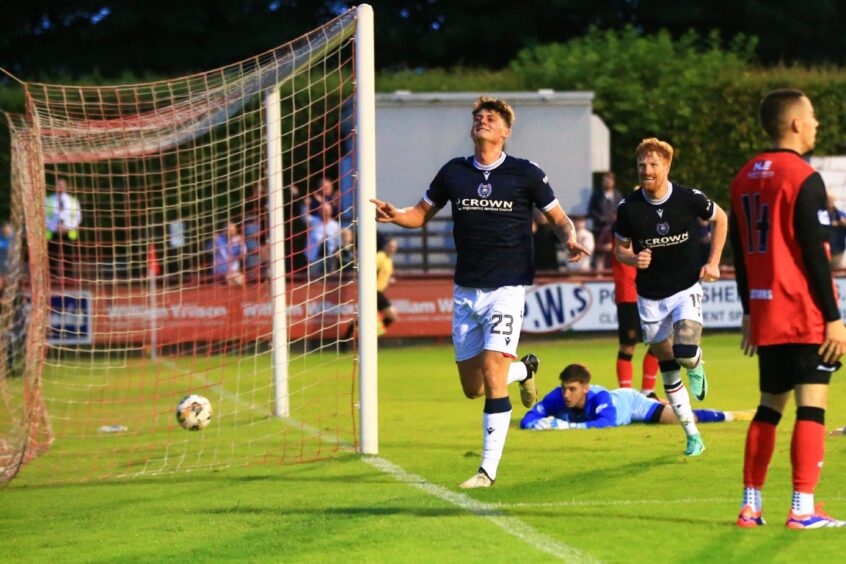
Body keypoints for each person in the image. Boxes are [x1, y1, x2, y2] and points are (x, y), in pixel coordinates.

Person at [371, 95, 590, 489]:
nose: (482, 120)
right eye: (478, 116)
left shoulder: (526, 173)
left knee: (492, 373)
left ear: (506, 131)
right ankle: (525, 369)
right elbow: (419, 214)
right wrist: (395, 215)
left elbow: (558, 219)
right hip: (466, 291)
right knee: (473, 388)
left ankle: (487, 470)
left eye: (491, 117)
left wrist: (570, 239)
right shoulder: (454, 172)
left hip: (507, 288)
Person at [730, 88, 846, 529]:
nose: (816, 123)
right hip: (801, 312)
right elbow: (815, 256)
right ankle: (803, 508)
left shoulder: (743, 176)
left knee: (768, 407)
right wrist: (834, 318)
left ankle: (750, 504)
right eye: (812, 116)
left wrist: (747, 310)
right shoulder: (802, 176)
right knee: (812, 407)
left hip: (765, 311)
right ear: (795, 123)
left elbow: (740, 253)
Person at [614, 137, 728, 456]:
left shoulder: (689, 198)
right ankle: (692, 435)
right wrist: (632, 259)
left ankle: (696, 363)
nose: (646, 170)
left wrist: (714, 261)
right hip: (649, 298)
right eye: (641, 165)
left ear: (666, 166)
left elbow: (722, 219)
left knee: (685, 349)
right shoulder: (629, 208)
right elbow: (619, 249)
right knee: (667, 364)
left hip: (685, 288)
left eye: (652, 164)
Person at [520, 363, 741, 430]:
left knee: (685, 419)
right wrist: (535, 424)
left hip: (631, 404)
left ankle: (729, 416)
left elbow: (609, 422)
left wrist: (562, 426)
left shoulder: (600, 398)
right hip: (619, 402)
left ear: (585, 388)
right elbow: (527, 418)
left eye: (572, 389)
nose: (566, 394)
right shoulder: (557, 397)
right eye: (565, 388)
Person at [611, 238, 660, 395]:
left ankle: (648, 392)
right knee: (628, 345)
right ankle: (626, 395)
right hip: (629, 293)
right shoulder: (622, 229)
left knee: (660, 342)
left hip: (652, 291)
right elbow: (623, 253)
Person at [45, 178, 82, 282]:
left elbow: (78, 217)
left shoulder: (73, 201)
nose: (60, 187)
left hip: (68, 232)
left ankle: (68, 277)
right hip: (53, 232)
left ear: (66, 187)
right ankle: (53, 277)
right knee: (52, 255)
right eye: (58, 185)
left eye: (62, 185)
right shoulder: (48, 200)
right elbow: (44, 217)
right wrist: (54, 227)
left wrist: (67, 227)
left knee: (68, 255)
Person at [588, 171, 621, 269]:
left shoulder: (618, 195)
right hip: (600, 229)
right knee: (600, 254)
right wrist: (601, 218)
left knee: (615, 253)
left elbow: (622, 210)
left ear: (613, 182)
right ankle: (598, 274)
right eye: (605, 180)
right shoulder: (596, 195)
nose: (608, 182)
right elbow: (591, 211)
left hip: (615, 231)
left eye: (610, 180)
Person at [305, 202, 341, 277]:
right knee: (313, 278)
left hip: (330, 257)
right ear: (319, 211)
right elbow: (304, 216)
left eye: (327, 210)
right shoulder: (313, 221)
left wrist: (336, 253)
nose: (325, 212)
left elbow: (338, 242)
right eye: (323, 210)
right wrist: (305, 204)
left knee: (331, 279)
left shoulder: (335, 225)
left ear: (331, 211)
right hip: (315, 257)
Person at [210, 222, 244, 286]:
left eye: (233, 230)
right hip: (220, 272)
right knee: (231, 280)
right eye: (229, 230)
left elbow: (243, 257)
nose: (231, 232)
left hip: (233, 272)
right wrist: (214, 242)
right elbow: (211, 252)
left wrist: (241, 245)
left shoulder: (238, 240)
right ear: (224, 231)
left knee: (240, 279)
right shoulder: (218, 239)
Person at [376, 238, 398, 335]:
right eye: (390, 246)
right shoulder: (380, 256)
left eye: (394, 247)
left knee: (362, 318)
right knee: (392, 315)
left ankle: (345, 339)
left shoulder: (389, 259)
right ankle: (376, 335)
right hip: (374, 292)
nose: (392, 249)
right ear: (385, 246)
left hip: (379, 292)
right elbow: (371, 270)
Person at [825, 193, 846, 269]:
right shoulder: (822, 214)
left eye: (831, 199)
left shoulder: (841, 214)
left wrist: (842, 223)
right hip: (824, 251)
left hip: (838, 252)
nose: (830, 201)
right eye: (828, 199)